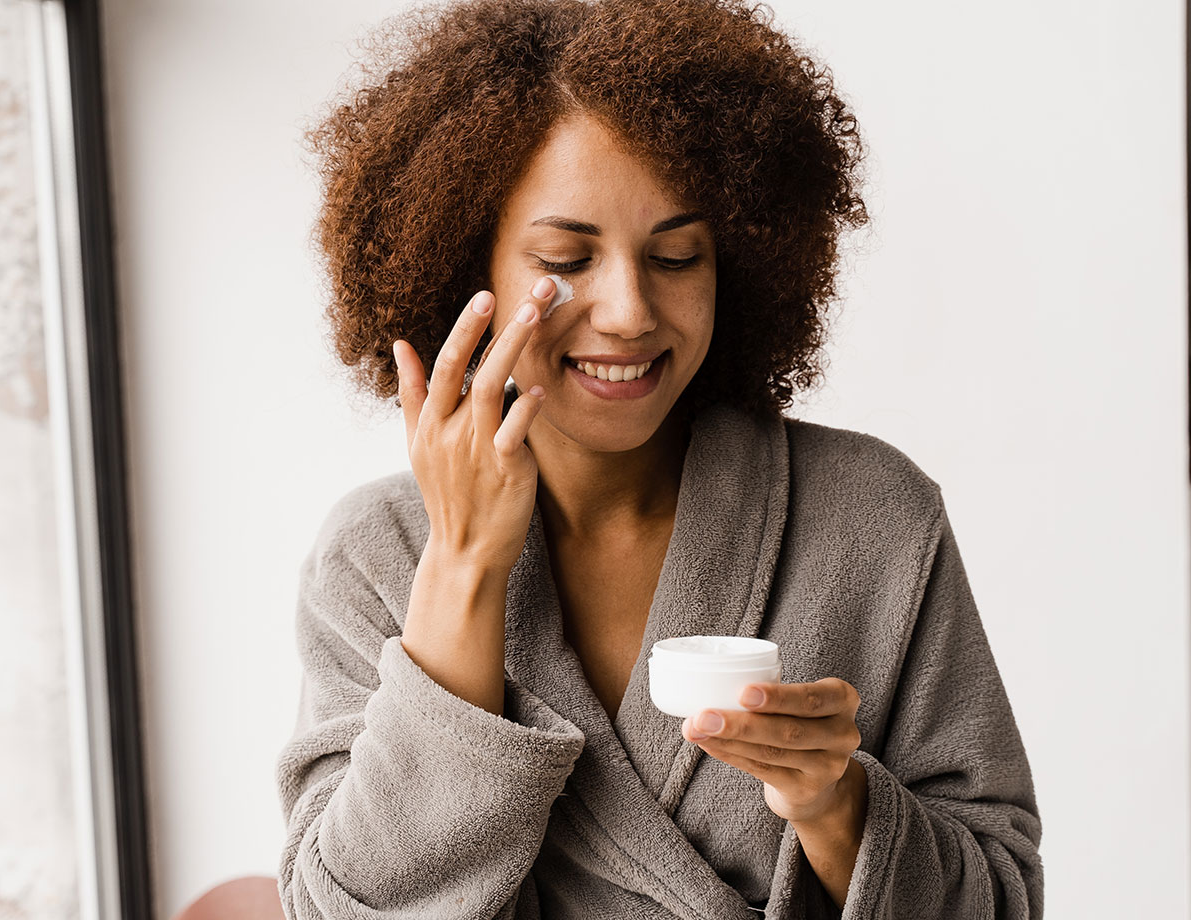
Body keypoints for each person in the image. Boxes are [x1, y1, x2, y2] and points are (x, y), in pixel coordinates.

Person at [275, 1, 1044, 917]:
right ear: (462, 266)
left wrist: (837, 806)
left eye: (676, 256)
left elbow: (1003, 897)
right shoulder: (376, 556)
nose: (631, 311)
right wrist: (465, 566)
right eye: (566, 257)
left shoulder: (873, 514)